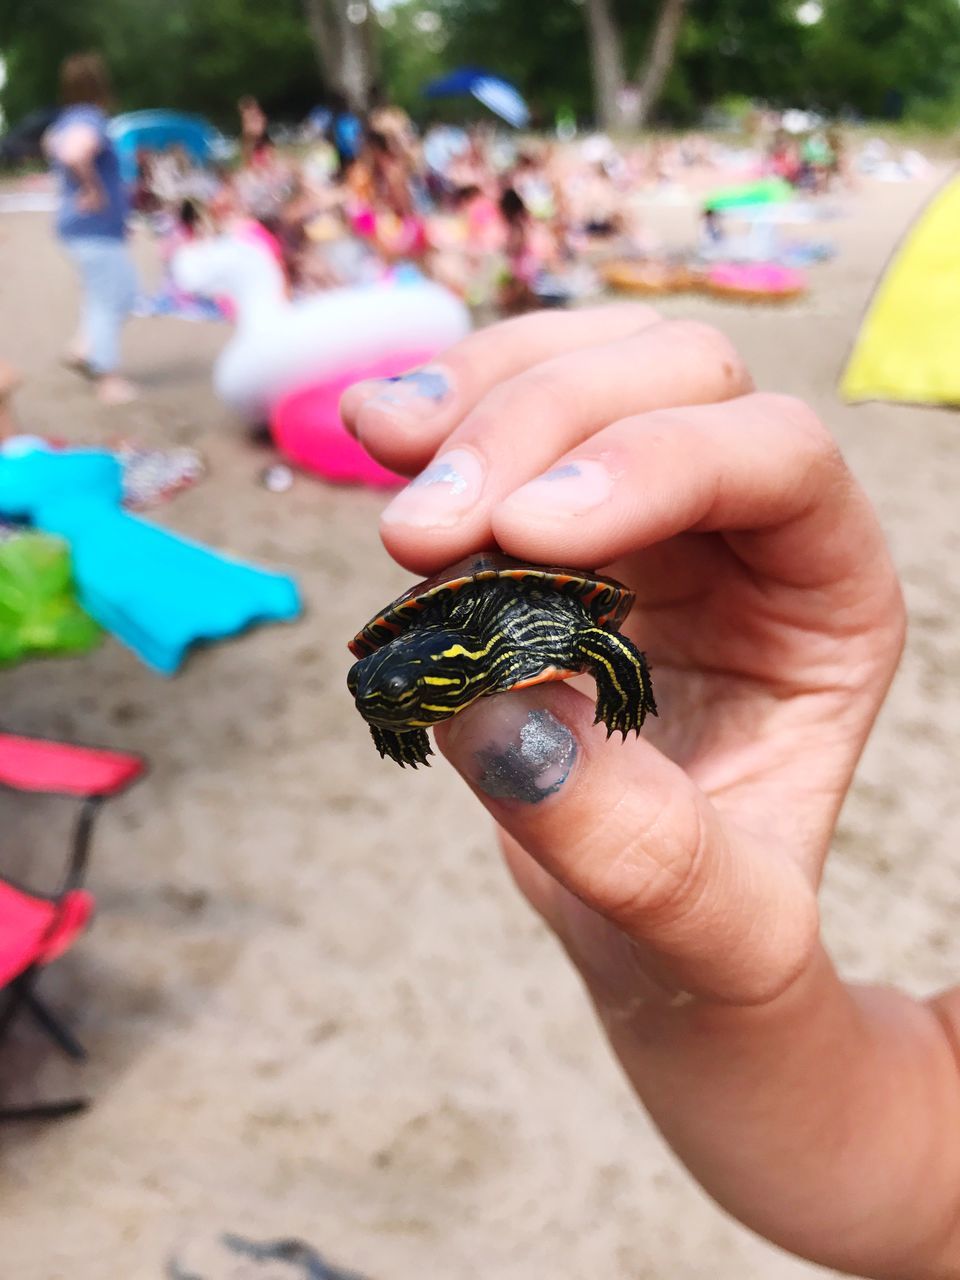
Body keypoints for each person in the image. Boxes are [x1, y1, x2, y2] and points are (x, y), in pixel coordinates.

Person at [341, 305, 960, 1280]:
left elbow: (589, 642)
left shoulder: (551, 638)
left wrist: (624, 693)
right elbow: (934, 1165)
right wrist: (694, 981)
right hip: (499, 599)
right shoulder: (452, 651)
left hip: (527, 619)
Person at [46, 52, 139, 406]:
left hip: (87, 229)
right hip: (92, 227)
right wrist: (93, 189)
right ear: (100, 84)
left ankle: (84, 348)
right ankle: (107, 378)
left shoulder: (67, 119)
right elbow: (74, 153)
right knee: (114, 297)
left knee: (108, 293)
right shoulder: (90, 119)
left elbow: (54, 146)